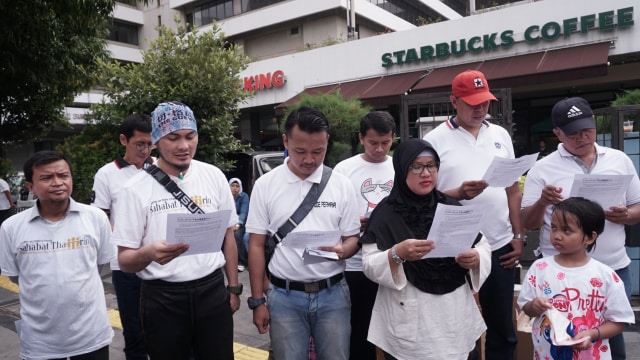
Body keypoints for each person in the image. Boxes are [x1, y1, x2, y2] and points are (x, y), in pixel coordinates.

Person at [111, 101, 241, 360]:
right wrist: (148, 253)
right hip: (162, 298)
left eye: (190, 136)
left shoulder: (213, 175)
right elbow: (124, 261)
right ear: (156, 141)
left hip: (212, 290)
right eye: (173, 138)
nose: (184, 146)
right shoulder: (134, 188)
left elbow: (228, 234)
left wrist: (234, 288)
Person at [521, 96, 640, 360]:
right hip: (558, 273)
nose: (582, 137)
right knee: (560, 335)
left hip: (611, 267)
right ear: (557, 133)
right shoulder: (542, 168)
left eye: (587, 130)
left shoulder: (618, 159)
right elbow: (528, 222)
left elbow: (637, 207)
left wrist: (626, 214)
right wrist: (543, 201)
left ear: (595, 123)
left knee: (610, 338)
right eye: (573, 133)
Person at [246, 105, 361, 360]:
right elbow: (255, 245)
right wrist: (257, 300)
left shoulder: (341, 185)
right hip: (284, 297)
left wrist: (345, 250)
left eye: (318, 151)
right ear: (285, 140)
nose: (309, 159)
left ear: (327, 142)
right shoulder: (266, 185)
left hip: (333, 295)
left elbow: (353, 237)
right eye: (300, 151)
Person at [423, 69, 523, 360]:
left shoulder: (500, 134)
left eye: (485, 102)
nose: (479, 109)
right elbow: (423, 196)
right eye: (472, 103)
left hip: (500, 245)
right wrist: (458, 192)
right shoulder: (435, 140)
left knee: (503, 327)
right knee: (460, 329)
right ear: (454, 101)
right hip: (456, 249)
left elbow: (512, 189)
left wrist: (518, 236)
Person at [360, 138, 491, 360]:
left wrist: (476, 257)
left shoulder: (450, 205)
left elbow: (481, 244)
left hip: (453, 317)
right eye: (416, 166)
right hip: (410, 318)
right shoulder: (386, 213)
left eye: (431, 165)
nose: (425, 173)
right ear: (402, 169)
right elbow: (369, 264)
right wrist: (397, 254)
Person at [0, 150, 114, 360]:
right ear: (30, 187)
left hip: (91, 337)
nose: (57, 182)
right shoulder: (11, 227)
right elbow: (15, 276)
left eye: (63, 176)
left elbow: (98, 266)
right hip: (40, 342)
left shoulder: (95, 218)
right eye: (46, 177)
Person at [517, 197, 635, 360]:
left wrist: (593, 334)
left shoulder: (605, 276)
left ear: (590, 237)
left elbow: (620, 321)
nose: (557, 235)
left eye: (566, 230)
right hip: (547, 355)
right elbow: (525, 306)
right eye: (553, 227)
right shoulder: (540, 269)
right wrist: (533, 305)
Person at [91, 114, 155, 360]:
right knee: (134, 327)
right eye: (140, 144)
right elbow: (99, 219)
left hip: (160, 260)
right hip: (125, 264)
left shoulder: (160, 168)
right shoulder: (107, 174)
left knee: (164, 325)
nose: (145, 150)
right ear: (123, 140)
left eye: (150, 144)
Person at [333, 110, 396, 359]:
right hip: (355, 265)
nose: (379, 149)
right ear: (361, 138)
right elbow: (331, 212)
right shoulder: (344, 169)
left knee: (393, 328)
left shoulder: (400, 166)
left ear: (393, 138)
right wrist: (349, 224)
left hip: (392, 261)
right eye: (373, 143)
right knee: (359, 330)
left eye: (385, 143)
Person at [229, 177, 250, 272]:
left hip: (240, 223)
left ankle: (241, 262)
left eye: (237, 186)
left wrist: (238, 224)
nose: (235, 188)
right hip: (228, 222)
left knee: (237, 235)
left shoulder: (244, 196)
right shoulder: (226, 196)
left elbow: (243, 212)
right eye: (232, 186)